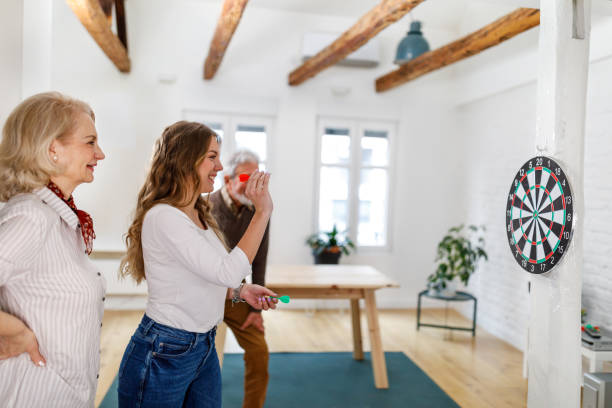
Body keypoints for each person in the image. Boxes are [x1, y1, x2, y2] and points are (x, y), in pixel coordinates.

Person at [117, 121, 277, 408]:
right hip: (164, 351)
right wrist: (263, 211)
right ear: (186, 160)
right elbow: (228, 270)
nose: (219, 167)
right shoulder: (164, 216)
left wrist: (239, 292)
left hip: (202, 347)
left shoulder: (198, 212)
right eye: (212, 157)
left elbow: (205, 277)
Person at [0, 92, 106, 407]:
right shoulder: (32, 216)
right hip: (34, 393)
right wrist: (15, 332)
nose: (100, 154)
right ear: (52, 149)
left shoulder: (58, 217)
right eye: (90, 142)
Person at [209, 150, 270, 408]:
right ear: (227, 178)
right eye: (246, 175)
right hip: (206, 294)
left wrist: (257, 309)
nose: (251, 183)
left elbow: (260, 257)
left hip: (239, 294)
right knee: (201, 360)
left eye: (256, 176)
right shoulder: (203, 207)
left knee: (259, 352)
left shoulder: (259, 209)